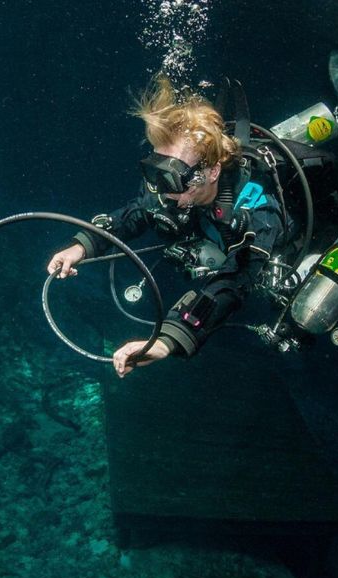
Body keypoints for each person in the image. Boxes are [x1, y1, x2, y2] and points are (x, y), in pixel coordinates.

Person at [48, 75, 301, 377]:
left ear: (212, 171)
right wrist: (81, 247)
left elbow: (234, 280)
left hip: (302, 243)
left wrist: (168, 340)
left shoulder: (255, 208)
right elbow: (136, 212)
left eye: (173, 177)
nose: (162, 190)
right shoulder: (170, 191)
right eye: (155, 171)